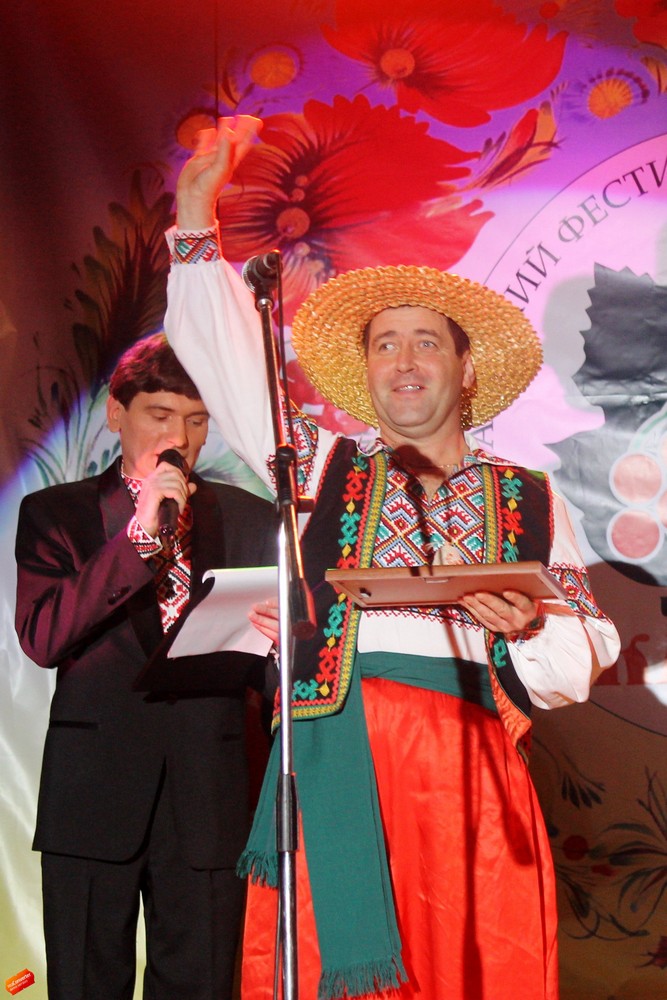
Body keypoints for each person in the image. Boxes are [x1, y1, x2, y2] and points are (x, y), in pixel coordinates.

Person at [164, 117, 621, 1000]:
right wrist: (194, 212)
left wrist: (527, 628)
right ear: (366, 373)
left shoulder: (527, 497)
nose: (403, 361)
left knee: (467, 970)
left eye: (425, 342)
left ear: (465, 369)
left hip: (470, 769)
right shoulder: (318, 466)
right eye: (384, 344)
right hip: (337, 750)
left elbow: (581, 653)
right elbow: (224, 363)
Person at [14, 331, 277, 1000]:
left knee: (202, 983)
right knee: (84, 981)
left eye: (196, 421)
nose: (179, 438)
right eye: (160, 415)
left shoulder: (249, 517)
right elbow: (44, 636)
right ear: (116, 412)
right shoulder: (57, 514)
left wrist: (282, 646)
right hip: (93, 793)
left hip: (210, 792)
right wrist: (138, 537)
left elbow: (269, 667)